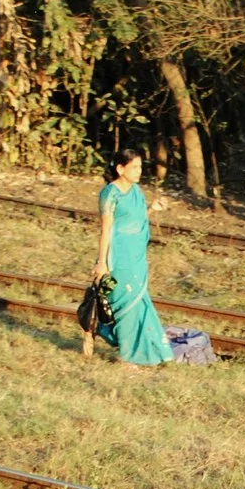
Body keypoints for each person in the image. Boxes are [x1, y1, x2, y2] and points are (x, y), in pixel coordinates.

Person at [93, 148, 174, 367]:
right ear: (121, 169)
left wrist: (152, 209)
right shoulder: (110, 193)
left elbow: (136, 220)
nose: (139, 171)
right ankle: (126, 356)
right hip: (119, 255)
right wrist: (102, 262)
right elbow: (106, 229)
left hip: (136, 255)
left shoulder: (136, 191)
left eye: (140, 167)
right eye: (135, 167)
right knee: (125, 302)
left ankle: (146, 350)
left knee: (138, 301)